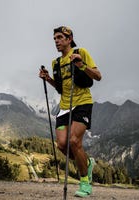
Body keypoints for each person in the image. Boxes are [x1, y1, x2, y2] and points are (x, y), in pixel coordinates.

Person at [39, 26, 101, 197]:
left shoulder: (81, 52)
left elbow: (98, 76)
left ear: (69, 38)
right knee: (61, 145)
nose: (57, 41)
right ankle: (87, 163)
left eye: (60, 37)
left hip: (82, 103)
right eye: (55, 39)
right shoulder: (56, 63)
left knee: (74, 141)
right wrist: (48, 79)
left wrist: (81, 65)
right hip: (64, 107)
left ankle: (85, 183)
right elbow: (60, 89)